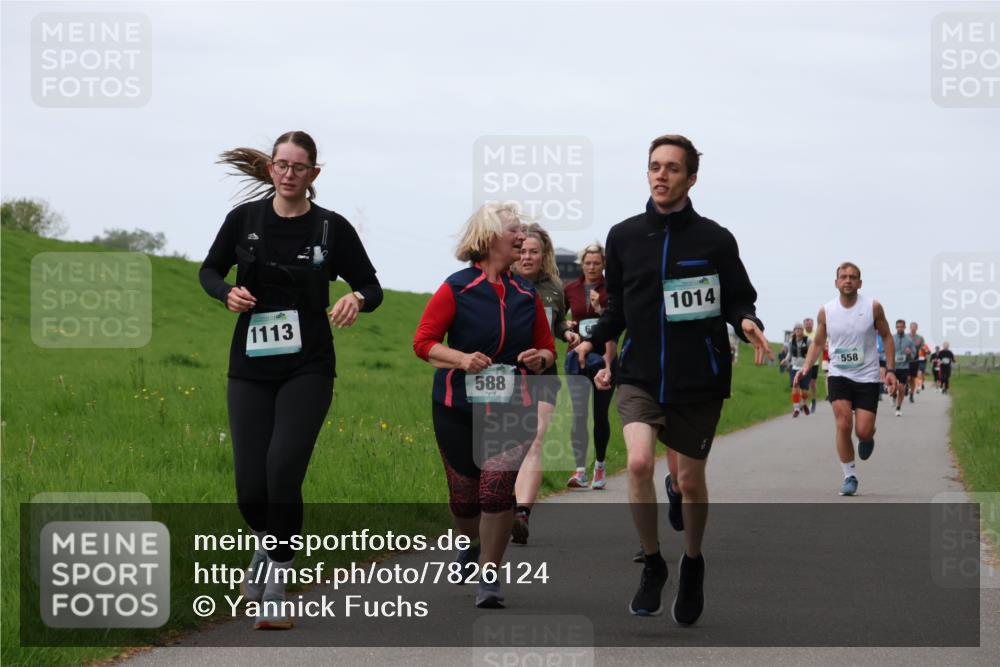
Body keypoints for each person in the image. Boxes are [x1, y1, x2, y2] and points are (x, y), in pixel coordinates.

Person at [574, 135, 772, 625]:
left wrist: (746, 322)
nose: (661, 175)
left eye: (672, 169)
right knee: (639, 463)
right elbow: (617, 304)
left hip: (697, 378)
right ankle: (653, 561)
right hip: (640, 373)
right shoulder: (623, 236)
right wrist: (593, 338)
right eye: (654, 167)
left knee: (688, 478)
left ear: (691, 178)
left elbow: (738, 297)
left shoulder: (714, 239)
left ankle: (693, 560)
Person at [200, 131, 383, 630]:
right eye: (281, 164)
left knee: (283, 469)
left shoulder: (330, 228)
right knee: (249, 488)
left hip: (309, 365)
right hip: (250, 366)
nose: (288, 173)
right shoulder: (245, 221)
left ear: (313, 175)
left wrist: (356, 299)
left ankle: (278, 582)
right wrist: (226, 293)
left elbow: (371, 284)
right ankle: (267, 544)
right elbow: (210, 270)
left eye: (298, 167)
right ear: (269, 169)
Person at [413, 202, 556, 608]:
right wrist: (461, 359)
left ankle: (490, 577)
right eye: (514, 229)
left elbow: (547, 350)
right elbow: (422, 343)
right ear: (491, 235)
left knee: (496, 492)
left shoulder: (526, 293)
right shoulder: (457, 287)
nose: (522, 236)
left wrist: (538, 359)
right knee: (465, 498)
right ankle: (471, 543)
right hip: (456, 406)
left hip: (513, 405)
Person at [794, 262, 896, 497]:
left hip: (867, 376)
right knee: (843, 423)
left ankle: (867, 437)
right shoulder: (826, 311)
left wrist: (890, 370)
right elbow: (818, 342)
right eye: (843, 277)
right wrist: (807, 366)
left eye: (853, 277)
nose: (848, 280)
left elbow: (887, 337)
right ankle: (849, 476)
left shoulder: (873, 307)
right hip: (839, 374)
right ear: (836, 282)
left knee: (862, 431)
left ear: (859, 283)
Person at [510, 223, 580, 544]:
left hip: (544, 374)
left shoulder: (554, 287)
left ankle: (522, 513)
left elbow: (559, 322)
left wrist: (567, 333)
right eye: (522, 250)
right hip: (505, 374)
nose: (527, 257)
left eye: (533, 252)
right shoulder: (500, 283)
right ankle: (504, 505)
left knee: (534, 441)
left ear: (543, 255)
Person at [562, 242, 617, 489]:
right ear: (581, 264)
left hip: (604, 359)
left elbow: (617, 322)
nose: (592, 267)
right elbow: (558, 323)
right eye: (588, 263)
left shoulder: (612, 290)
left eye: (597, 263)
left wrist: (599, 309)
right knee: (579, 415)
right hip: (577, 360)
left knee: (600, 415)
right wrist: (567, 328)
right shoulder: (571, 289)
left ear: (604, 264)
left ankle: (600, 466)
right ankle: (580, 470)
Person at [781, 323, 812, 416]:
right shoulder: (791, 341)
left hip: (805, 368)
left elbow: (812, 352)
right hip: (794, 367)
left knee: (804, 391)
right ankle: (796, 409)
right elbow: (789, 354)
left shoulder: (808, 340)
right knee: (795, 388)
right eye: (796, 329)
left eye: (800, 329)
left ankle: (804, 403)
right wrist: (785, 360)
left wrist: (809, 361)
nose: (798, 330)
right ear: (794, 331)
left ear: (803, 331)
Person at [891, 319, 916, 417]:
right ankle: (893, 395)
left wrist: (910, 353)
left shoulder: (909, 340)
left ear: (905, 327)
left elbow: (913, 355)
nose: (899, 328)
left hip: (904, 367)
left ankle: (898, 408)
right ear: (896, 327)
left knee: (901, 388)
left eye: (901, 327)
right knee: (893, 387)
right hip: (893, 367)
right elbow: (887, 352)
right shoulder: (892, 338)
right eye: (898, 327)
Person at [803, 317, 820, 412]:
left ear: (813, 325)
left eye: (810, 324)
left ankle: (813, 401)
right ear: (804, 325)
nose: (808, 325)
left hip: (814, 362)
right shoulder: (802, 334)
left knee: (812, 384)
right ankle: (804, 403)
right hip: (803, 362)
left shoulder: (816, 334)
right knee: (803, 383)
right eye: (807, 324)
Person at [908, 322, 926, 399]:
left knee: (912, 378)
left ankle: (911, 394)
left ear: (917, 328)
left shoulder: (920, 338)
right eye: (912, 327)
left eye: (914, 327)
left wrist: (925, 350)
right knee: (907, 377)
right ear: (909, 328)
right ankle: (906, 387)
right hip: (907, 359)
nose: (913, 328)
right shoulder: (906, 336)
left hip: (915, 359)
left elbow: (923, 347)